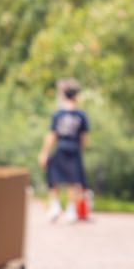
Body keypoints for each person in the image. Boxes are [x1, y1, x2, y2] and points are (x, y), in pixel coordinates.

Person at [39, 80, 91, 222]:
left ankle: (55, 206)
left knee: (53, 178)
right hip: (74, 149)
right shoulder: (81, 115)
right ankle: (70, 210)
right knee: (72, 181)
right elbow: (84, 138)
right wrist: (81, 150)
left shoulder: (58, 114)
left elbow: (52, 135)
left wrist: (44, 152)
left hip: (60, 147)